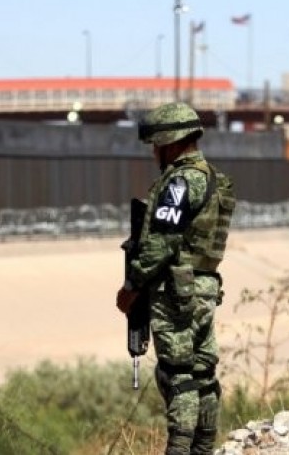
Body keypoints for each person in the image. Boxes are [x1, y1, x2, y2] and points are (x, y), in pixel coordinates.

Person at [116, 101, 236, 454]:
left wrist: (132, 285)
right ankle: (203, 448)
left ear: (171, 141)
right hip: (204, 287)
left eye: (157, 144)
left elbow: (162, 243)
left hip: (175, 292)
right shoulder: (214, 179)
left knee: (177, 375)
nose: (154, 152)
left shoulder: (181, 182)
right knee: (203, 374)